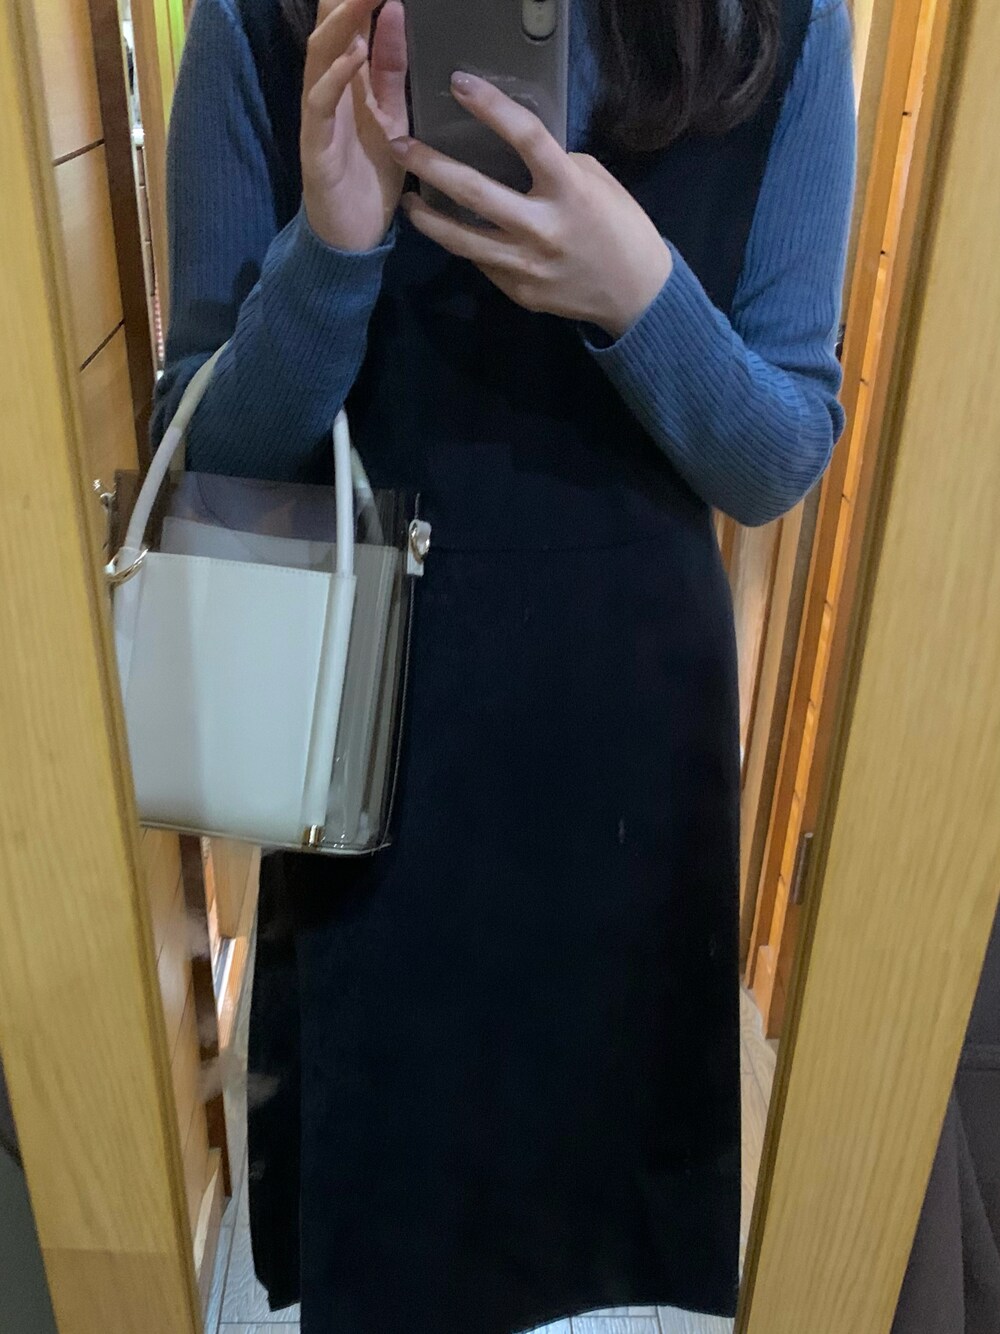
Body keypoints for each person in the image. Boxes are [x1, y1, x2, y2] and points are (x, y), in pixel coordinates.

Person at [155, 0, 855, 1328]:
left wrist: (640, 291)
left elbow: (777, 455)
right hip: (368, 753)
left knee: (587, 1230)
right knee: (391, 1242)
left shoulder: (774, 25)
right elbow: (208, 460)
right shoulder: (262, 20)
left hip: (628, 742)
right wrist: (333, 250)